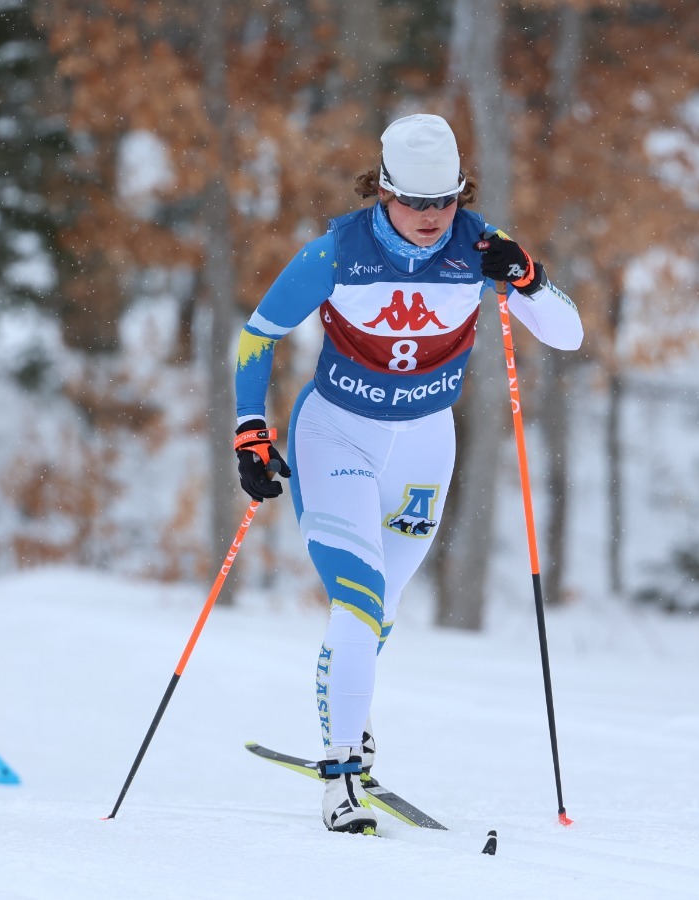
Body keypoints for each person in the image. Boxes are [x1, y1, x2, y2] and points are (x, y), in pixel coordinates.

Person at [231, 113, 583, 834]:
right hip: (338, 436)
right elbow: (257, 336)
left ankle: (349, 725)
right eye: (416, 202)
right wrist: (250, 431)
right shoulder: (336, 253)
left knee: (378, 613)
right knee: (356, 600)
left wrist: (528, 277)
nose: (431, 218)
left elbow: (569, 335)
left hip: (426, 445)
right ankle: (340, 774)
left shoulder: (479, 248)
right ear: (383, 190)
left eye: (444, 201)